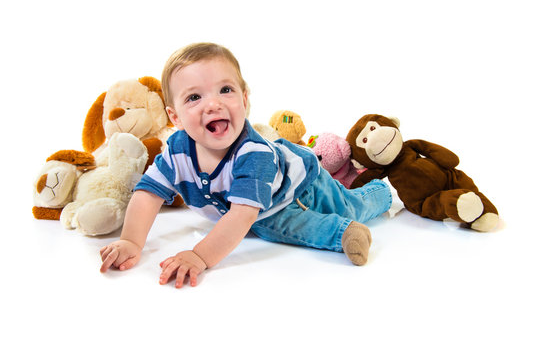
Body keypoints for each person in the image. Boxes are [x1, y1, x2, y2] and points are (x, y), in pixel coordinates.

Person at [100, 42, 392, 288]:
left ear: (245, 99)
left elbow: (241, 216)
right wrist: (131, 242)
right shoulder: (177, 151)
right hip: (256, 209)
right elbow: (146, 194)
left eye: (225, 90)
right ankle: (347, 222)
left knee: (321, 213)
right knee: (266, 226)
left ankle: (378, 194)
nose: (212, 104)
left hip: (298, 189)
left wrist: (200, 256)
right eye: (194, 97)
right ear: (174, 117)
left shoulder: (253, 154)